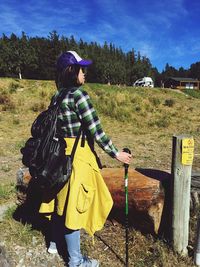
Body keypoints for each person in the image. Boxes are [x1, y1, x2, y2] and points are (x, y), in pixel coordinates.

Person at [39, 51, 132, 267]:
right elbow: (96, 131)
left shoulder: (57, 96)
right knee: (75, 206)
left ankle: (53, 244)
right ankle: (76, 261)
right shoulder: (79, 96)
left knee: (60, 199)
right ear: (72, 71)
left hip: (58, 154)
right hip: (77, 156)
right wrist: (116, 153)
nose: (85, 72)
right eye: (82, 69)